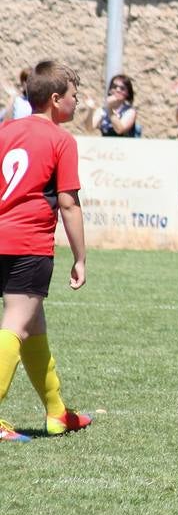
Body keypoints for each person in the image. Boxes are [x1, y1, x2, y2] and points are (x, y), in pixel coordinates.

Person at [0, 61, 93, 443]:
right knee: (18, 323)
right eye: (75, 95)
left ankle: (57, 413)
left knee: (33, 326)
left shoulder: (5, 130)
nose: (78, 101)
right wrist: (81, 257)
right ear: (56, 100)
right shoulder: (61, 140)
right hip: (29, 243)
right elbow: (68, 204)